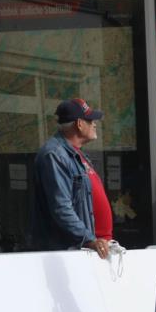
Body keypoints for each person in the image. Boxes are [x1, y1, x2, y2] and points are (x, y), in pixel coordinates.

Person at [31, 99, 114, 259]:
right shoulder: (54, 155)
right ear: (79, 124)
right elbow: (61, 208)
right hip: (71, 254)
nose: (94, 124)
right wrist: (89, 239)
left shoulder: (76, 154)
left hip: (91, 250)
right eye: (90, 121)